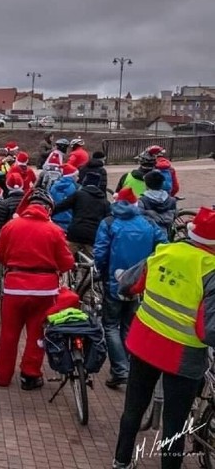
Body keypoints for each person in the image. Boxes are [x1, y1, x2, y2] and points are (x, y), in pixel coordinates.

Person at [112, 207, 215, 469]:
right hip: (182, 356)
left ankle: (121, 460)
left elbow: (127, 284)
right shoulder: (211, 269)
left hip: (144, 342)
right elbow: (210, 329)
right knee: (174, 423)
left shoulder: (165, 250)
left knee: (133, 408)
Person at [0, 189, 74, 390]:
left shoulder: (10, 226)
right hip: (44, 290)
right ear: (48, 208)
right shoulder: (54, 230)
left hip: (14, 287)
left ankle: (2, 376)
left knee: (8, 334)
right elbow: (66, 263)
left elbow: (0, 255)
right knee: (37, 334)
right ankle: (30, 375)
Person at [93, 187, 167, 389]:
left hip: (114, 280)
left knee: (110, 325)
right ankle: (126, 366)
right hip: (139, 283)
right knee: (128, 324)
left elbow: (100, 252)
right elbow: (163, 246)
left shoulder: (109, 223)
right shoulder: (148, 223)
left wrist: (102, 271)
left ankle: (120, 369)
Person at [53, 172, 111, 257]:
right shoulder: (105, 202)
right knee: (90, 261)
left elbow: (61, 206)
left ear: (85, 182)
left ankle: (66, 269)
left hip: (76, 232)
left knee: (65, 257)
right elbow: (108, 221)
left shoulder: (79, 195)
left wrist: (50, 213)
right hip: (92, 235)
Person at [137, 170, 177, 237]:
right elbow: (175, 214)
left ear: (147, 185)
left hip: (150, 236)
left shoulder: (142, 201)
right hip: (166, 234)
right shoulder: (172, 200)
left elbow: (139, 219)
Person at [0, 172, 27, 238]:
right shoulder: (30, 202)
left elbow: (0, 226)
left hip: (10, 237)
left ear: (7, 185)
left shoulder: (3, 204)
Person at [49, 164, 80, 232]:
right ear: (73, 176)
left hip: (55, 217)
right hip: (69, 219)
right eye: (77, 176)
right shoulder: (76, 187)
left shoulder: (54, 186)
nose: (78, 178)